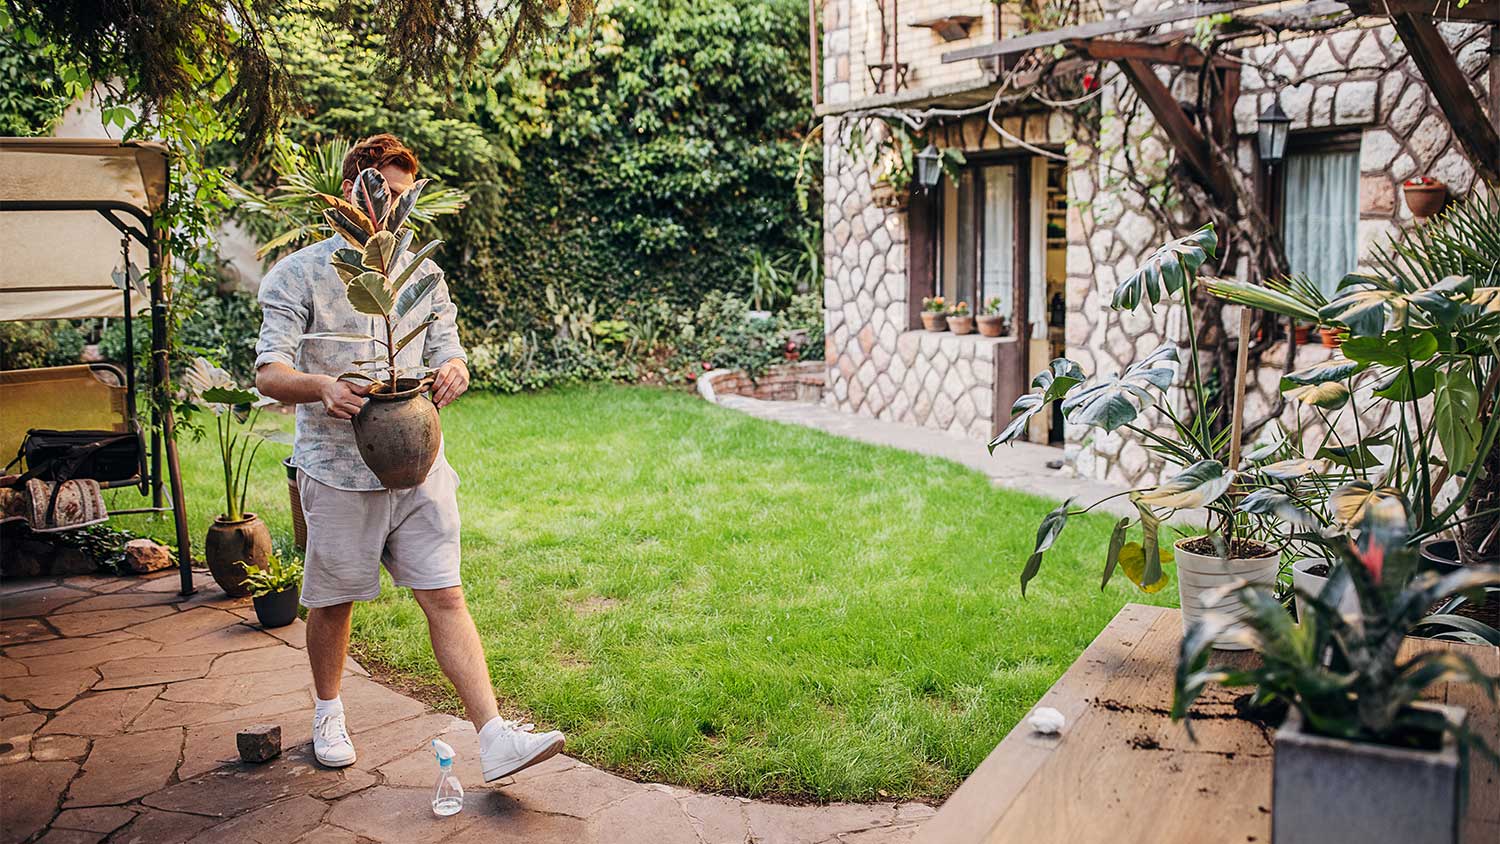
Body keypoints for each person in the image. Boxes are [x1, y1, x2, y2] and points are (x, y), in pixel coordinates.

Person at [254, 133, 564, 781]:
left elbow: (448, 345)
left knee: (445, 595)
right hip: (339, 473)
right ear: (350, 194)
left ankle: (494, 736)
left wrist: (455, 369)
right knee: (334, 601)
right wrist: (322, 387)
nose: (392, 208)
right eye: (382, 194)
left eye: (402, 197)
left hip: (419, 463)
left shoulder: (422, 273)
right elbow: (269, 371)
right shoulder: (298, 274)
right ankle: (329, 713)